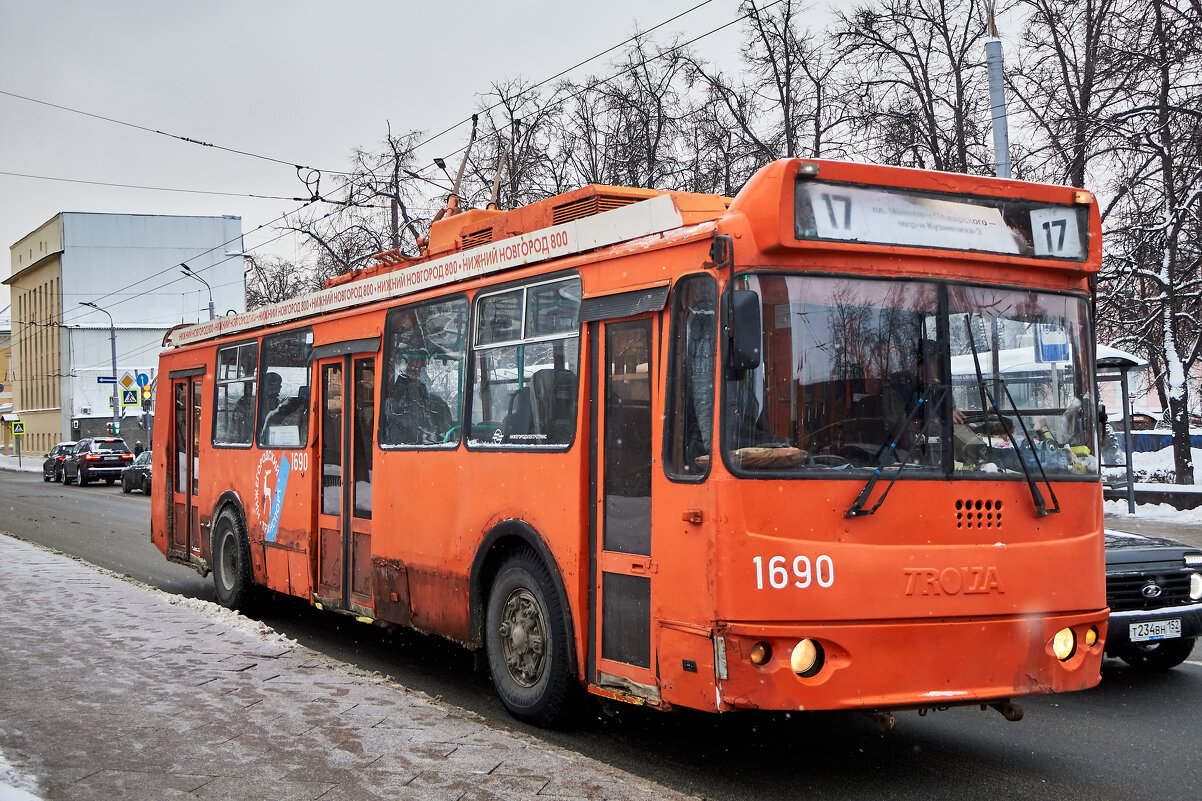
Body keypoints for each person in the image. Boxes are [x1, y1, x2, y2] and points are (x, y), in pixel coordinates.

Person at [384, 351, 453, 445]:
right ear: (403, 363)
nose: (415, 366)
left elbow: (445, 429)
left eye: (418, 361)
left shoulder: (436, 402)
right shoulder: (393, 401)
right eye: (412, 361)